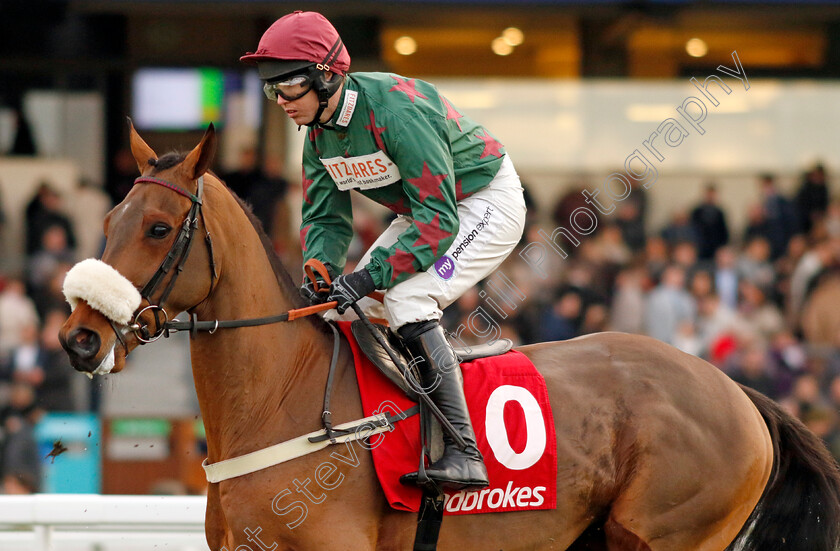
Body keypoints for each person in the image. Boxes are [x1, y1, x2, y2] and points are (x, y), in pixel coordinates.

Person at [241, 11, 527, 491]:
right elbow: (325, 219)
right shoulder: (317, 132)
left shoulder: (395, 111)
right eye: (272, 91)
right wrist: (321, 274)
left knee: (405, 298)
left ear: (326, 76)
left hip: (483, 201)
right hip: (429, 210)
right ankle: (399, 424)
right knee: (350, 311)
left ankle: (465, 451)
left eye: (287, 87)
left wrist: (368, 275)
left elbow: (438, 222)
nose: (281, 102)